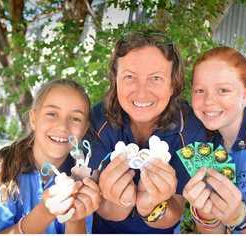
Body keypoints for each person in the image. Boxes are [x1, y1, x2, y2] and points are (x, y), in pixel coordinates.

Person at [88, 30, 207, 233]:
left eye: (156, 78)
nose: (141, 91)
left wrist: (150, 206)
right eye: (129, 77)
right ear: (115, 80)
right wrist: (120, 202)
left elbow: (175, 209)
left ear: (173, 84)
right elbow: (100, 207)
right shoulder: (97, 122)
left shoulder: (191, 129)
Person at [0, 79, 101, 233]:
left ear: (84, 129)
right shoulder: (1, 171)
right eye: (52, 114)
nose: (62, 126)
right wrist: (44, 213)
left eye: (75, 118)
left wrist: (75, 218)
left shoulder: (83, 179)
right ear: (33, 119)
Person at [183, 46, 246, 233]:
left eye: (223, 90)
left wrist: (242, 218)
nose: (208, 101)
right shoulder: (202, 143)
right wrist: (207, 216)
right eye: (200, 90)